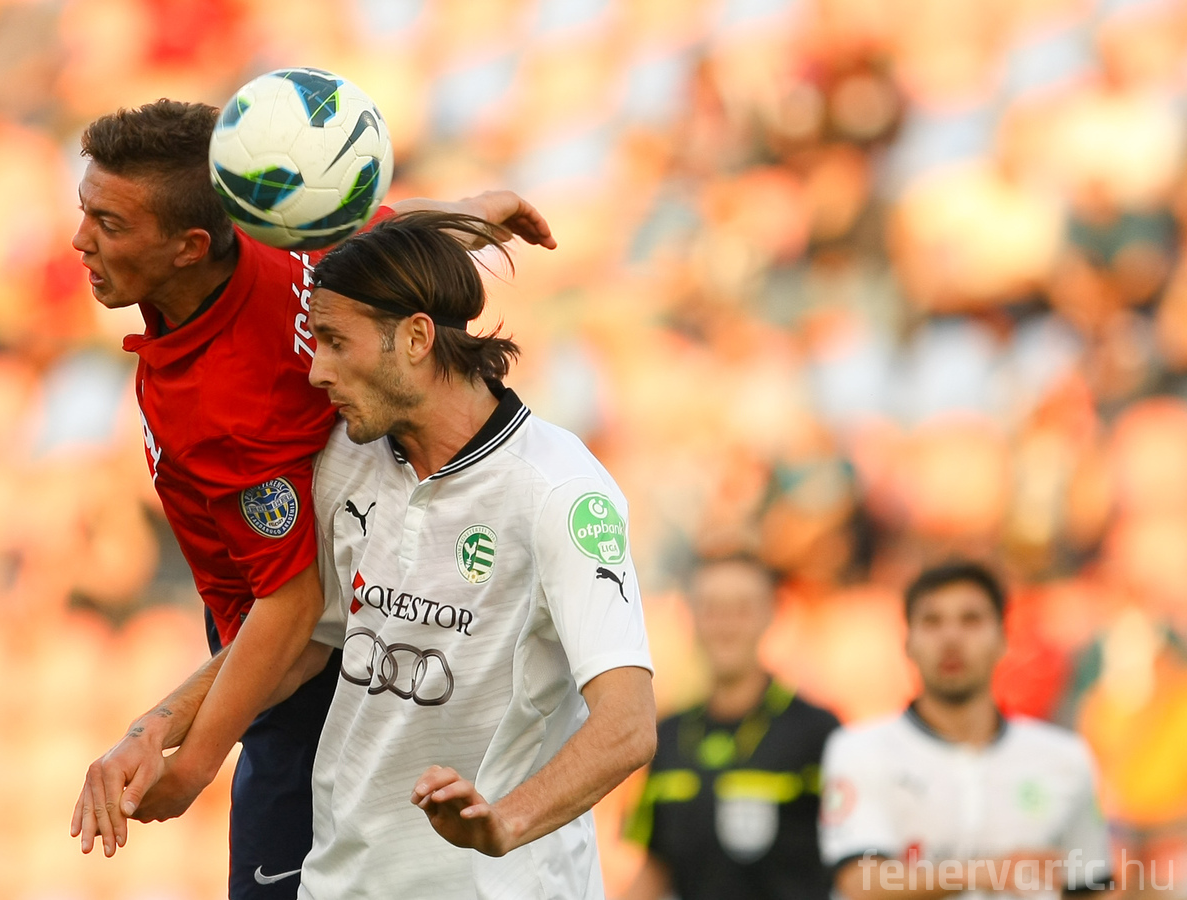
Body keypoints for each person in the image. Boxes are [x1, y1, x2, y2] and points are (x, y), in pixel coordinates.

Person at [65, 99, 556, 900]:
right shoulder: (273, 224)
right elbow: (366, 237)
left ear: (191, 247)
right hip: (341, 630)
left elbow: (293, 607)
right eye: (85, 210)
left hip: (308, 682)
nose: (80, 239)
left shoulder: (223, 408)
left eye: (109, 224)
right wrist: (463, 216)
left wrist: (192, 766)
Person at [292, 210, 655, 897]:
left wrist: (504, 822)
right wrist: (164, 734)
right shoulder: (347, 458)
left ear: (417, 338)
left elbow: (628, 725)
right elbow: (301, 640)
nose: (317, 371)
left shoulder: (559, 489)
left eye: (336, 342)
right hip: (343, 883)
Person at [819, 561, 1112, 899]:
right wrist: (985, 873)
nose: (951, 638)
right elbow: (860, 882)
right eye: (932, 622)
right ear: (907, 643)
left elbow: (1089, 885)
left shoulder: (1064, 757)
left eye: (971, 620)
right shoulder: (862, 749)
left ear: (1003, 639)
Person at [620, 553, 841, 900]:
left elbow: (853, 868)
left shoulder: (818, 731)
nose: (725, 625)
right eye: (711, 608)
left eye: (742, 609)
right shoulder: (667, 735)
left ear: (772, 614)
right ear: (690, 616)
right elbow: (655, 868)